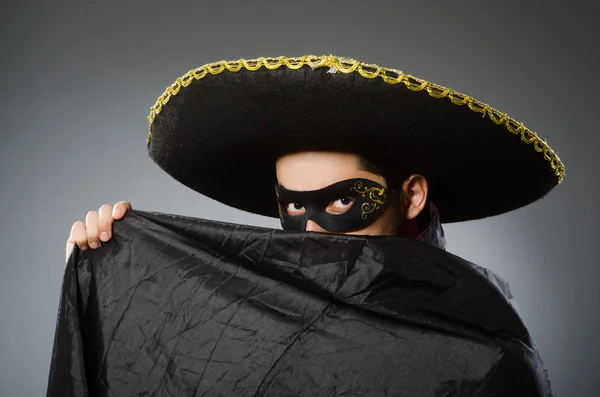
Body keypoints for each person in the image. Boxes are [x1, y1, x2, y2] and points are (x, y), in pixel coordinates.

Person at [55, 55, 564, 396]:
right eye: (294, 208)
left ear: (411, 196)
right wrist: (110, 283)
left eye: (343, 199)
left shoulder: (488, 361)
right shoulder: (239, 324)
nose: (314, 234)